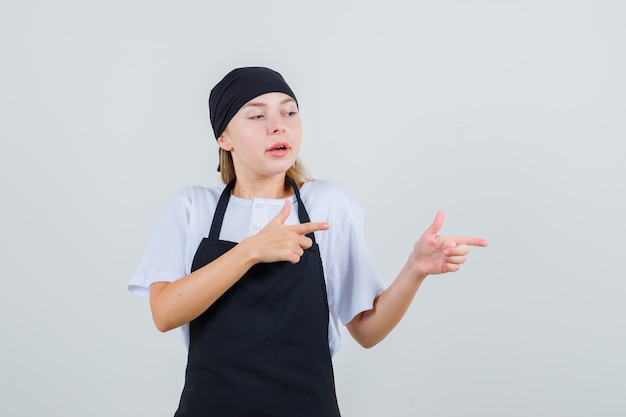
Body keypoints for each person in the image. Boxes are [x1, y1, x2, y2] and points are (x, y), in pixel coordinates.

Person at [128, 66, 488, 417]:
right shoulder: (194, 207)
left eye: (289, 112)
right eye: (256, 116)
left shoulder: (329, 204)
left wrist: (415, 269)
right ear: (224, 138)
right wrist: (250, 250)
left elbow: (366, 329)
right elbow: (164, 312)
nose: (278, 125)